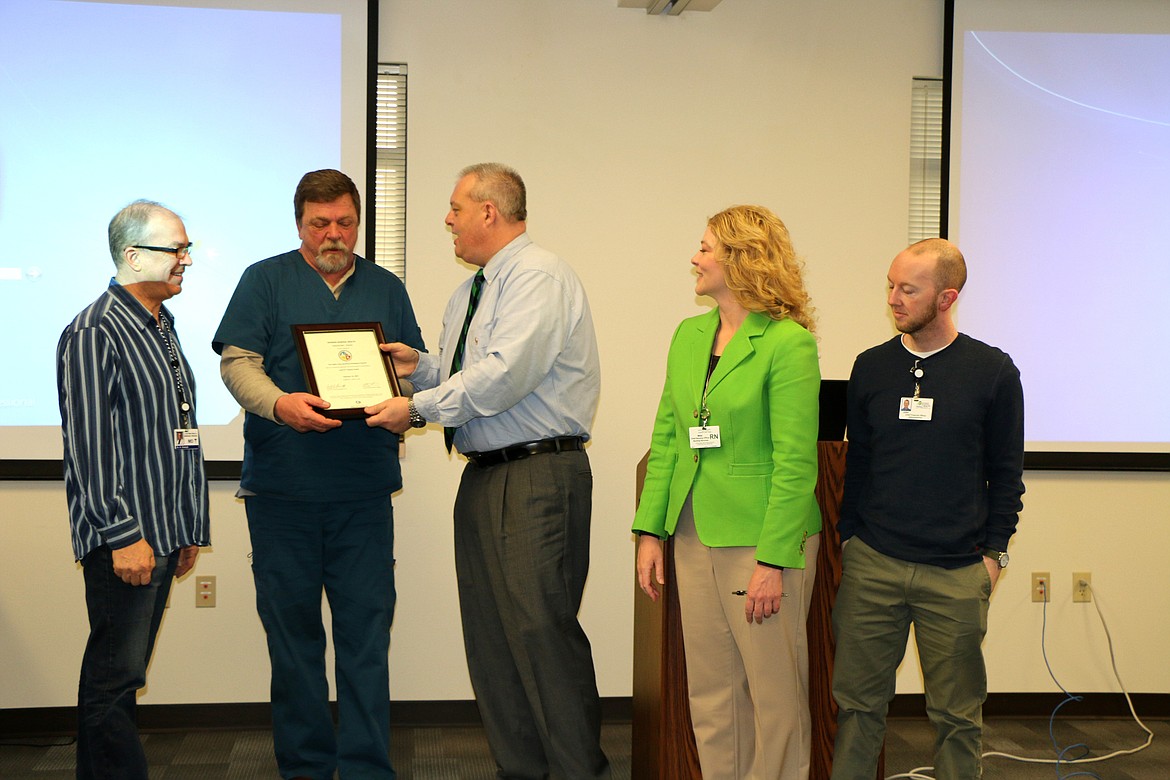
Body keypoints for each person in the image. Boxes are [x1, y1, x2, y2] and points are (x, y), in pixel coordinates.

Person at [365, 163, 610, 779]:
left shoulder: (537, 277)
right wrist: (418, 367)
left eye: (455, 208)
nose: (446, 220)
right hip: (485, 475)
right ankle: (521, 771)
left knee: (541, 636)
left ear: (488, 212)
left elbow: (504, 376)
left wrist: (415, 408)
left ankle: (579, 773)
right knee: (492, 640)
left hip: (536, 476)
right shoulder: (470, 292)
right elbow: (465, 375)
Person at [212, 169, 424, 780]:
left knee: (366, 638)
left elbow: (412, 370)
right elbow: (237, 364)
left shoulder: (386, 287)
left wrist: (404, 386)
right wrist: (281, 404)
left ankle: (365, 768)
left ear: (358, 222)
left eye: (345, 223)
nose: (333, 234)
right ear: (299, 223)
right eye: (319, 223)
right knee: (293, 642)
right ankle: (305, 767)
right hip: (283, 493)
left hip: (363, 495)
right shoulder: (264, 280)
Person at [631, 205, 822, 780]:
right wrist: (650, 531)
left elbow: (796, 463)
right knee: (711, 692)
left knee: (774, 695)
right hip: (693, 532)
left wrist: (773, 560)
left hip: (762, 541)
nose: (694, 258)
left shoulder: (788, 344)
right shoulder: (689, 335)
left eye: (705, 247)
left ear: (742, 259)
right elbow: (668, 437)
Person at [830, 238, 1025, 780]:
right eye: (890, 285)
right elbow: (858, 462)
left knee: (956, 717)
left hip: (957, 572)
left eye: (908, 290)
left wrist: (993, 556)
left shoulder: (992, 371)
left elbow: (1006, 474)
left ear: (946, 298)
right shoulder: (871, 367)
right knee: (857, 708)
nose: (893, 298)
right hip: (873, 565)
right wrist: (850, 538)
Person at [58, 200, 210, 780]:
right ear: (133, 256)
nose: (185, 259)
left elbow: (175, 431)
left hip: (162, 531)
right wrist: (124, 537)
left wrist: (187, 527)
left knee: (123, 677)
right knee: (113, 681)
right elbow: (90, 448)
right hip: (126, 538)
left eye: (186, 248)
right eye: (176, 249)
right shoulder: (95, 331)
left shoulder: (159, 324)